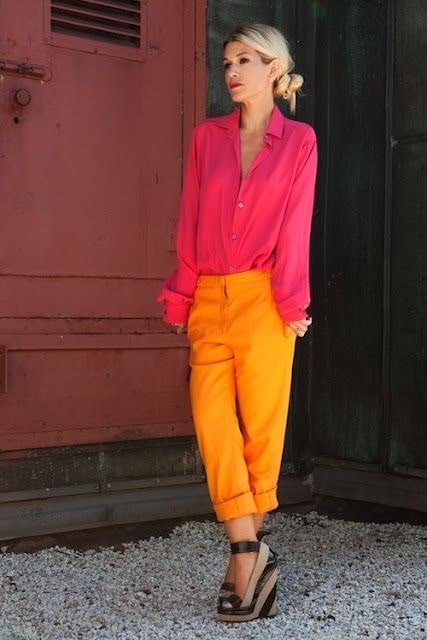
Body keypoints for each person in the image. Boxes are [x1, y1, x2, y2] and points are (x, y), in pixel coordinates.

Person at [157, 23, 318, 622]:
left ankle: (244, 555)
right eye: (228, 60)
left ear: (274, 68)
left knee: (261, 431)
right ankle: (251, 549)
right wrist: (181, 297)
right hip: (208, 297)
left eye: (246, 59)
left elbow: (295, 228)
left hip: (264, 298)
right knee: (211, 422)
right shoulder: (207, 137)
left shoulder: (299, 141)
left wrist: (292, 305)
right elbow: (189, 221)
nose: (232, 70)